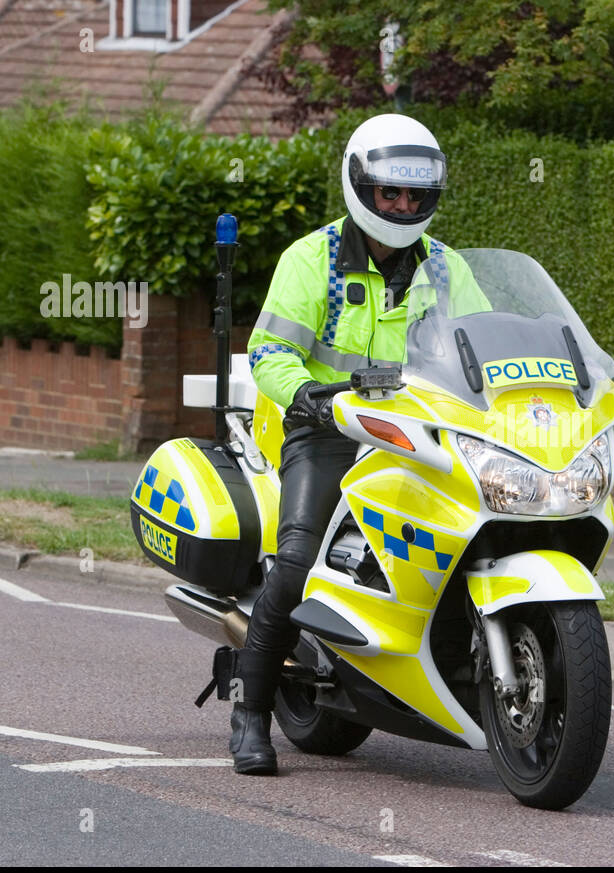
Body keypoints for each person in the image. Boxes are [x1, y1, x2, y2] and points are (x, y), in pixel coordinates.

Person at [231, 114, 452, 774]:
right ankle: (249, 713)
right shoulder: (313, 260)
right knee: (299, 563)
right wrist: (309, 396)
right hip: (329, 432)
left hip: (420, 434)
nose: (404, 206)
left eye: (415, 195)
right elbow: (269, 352)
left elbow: (483, 346)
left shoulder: (444, 268)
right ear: (362, 187)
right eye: (391, 193)